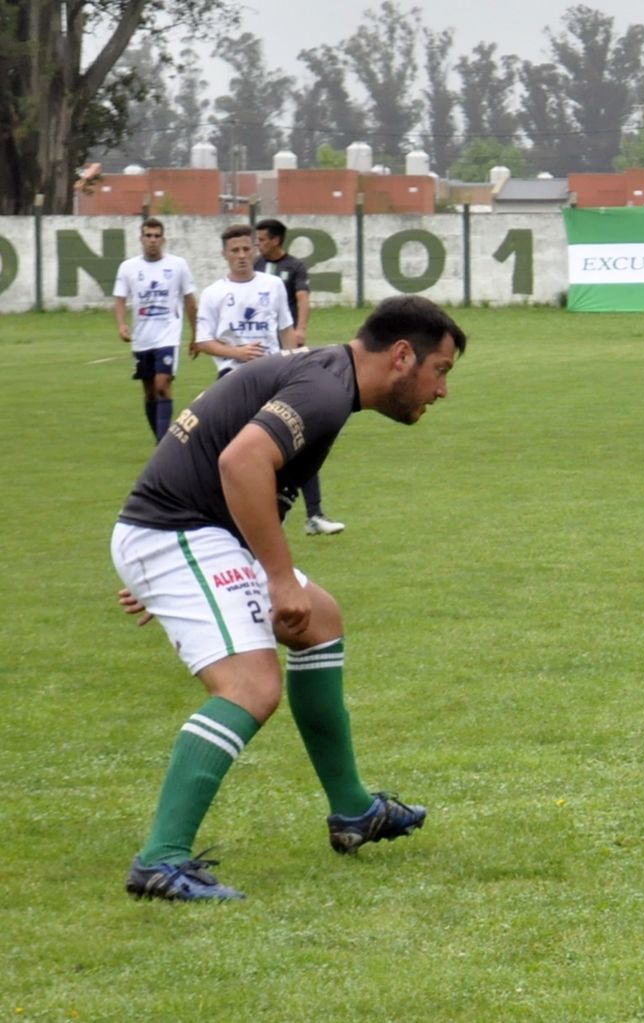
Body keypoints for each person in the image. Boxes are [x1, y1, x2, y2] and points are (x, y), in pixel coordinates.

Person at [111, 294, 467, 901]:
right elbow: (242, 459)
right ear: (402, 356)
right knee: (252, 686)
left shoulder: (327, 374)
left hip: (190, 531)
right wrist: (273, 578)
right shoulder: (325, 390)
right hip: (182, 531)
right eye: (441, 371)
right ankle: (161, 860)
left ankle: (354, 810)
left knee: (320, 620)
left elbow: (213, 453)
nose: (441, 391)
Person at [255, 217, 345, 536]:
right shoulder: (253, 267)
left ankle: (313, 514)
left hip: (284, 356)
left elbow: (303, 299)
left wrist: (300, 330)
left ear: (277, 240)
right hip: (253, 367)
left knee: (298, 435)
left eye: (263, 239)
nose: (258, 245)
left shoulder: (293, 267)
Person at [112, 218, 197, 442]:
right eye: (148, 236)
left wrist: (196, 334)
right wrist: (121, 324)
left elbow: (190, 300)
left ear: (163, 239)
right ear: (141, 239)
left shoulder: (177, 265)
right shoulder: (128, 267)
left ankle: (163, 445)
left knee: (162, 384)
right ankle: (159, 439)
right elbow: (119, 299)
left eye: (156, 236)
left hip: (168, 335)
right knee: (149, 391)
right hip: (142, 338)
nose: (152, 240)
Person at [191, 223, 296, 377]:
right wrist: (237, 352)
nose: (241, 255)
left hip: (271, 370)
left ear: (254, 250)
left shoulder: (274, 284)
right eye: (235, 250)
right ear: (224, 254)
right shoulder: (212, 293)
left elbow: (286, 330)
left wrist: (291, 366)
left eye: (246, 249)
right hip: (232, 373)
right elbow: (203, 341)